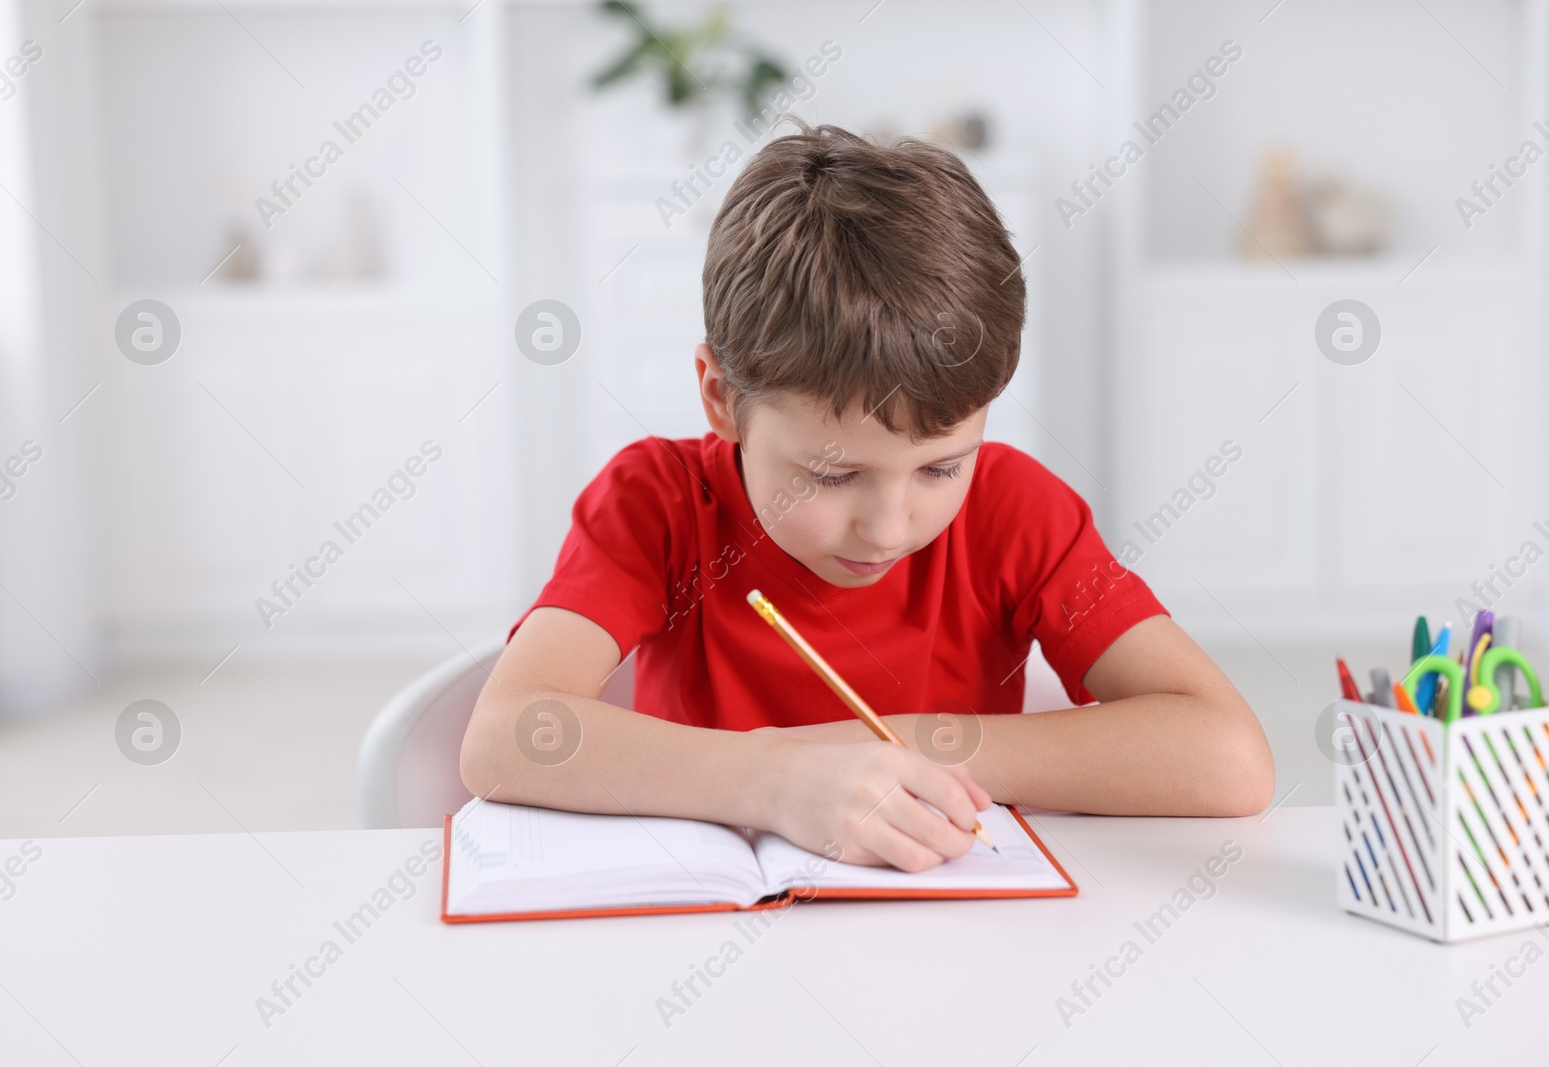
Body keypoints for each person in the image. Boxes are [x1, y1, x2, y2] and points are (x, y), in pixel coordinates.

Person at [461, 120, 1274, 872]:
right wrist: (772, 778)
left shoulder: (1018, 511)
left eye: (940, 468)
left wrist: (905, 750)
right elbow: (506, 735)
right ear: (719, 397)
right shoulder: (655, 502)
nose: (889, 528)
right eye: (831, 474)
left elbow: (1229, 757)